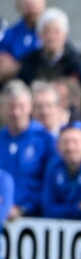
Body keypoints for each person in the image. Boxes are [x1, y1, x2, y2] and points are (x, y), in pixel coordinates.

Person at [0, 79, 52, 218]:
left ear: (30, 107)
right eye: (11, 107)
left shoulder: (45, 140)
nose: (16, 112)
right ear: (2, 108)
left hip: (35, 220)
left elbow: (49, 183)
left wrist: (23, 208)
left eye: (21, 106)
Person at [18, 7, 81, 91]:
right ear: (39, 35)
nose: (51, 37)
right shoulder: (29, 63)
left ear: (65, 35)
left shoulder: (79, 66)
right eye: (46, 32)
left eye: (56, 32)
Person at [0, 0, 46, 82]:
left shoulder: (52, 33)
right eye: (27, 5)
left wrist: (19, 65)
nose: (32, 9)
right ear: (18, 6)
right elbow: (4, 66)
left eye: (35, 4)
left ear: (43, 4)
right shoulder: (10, 34)